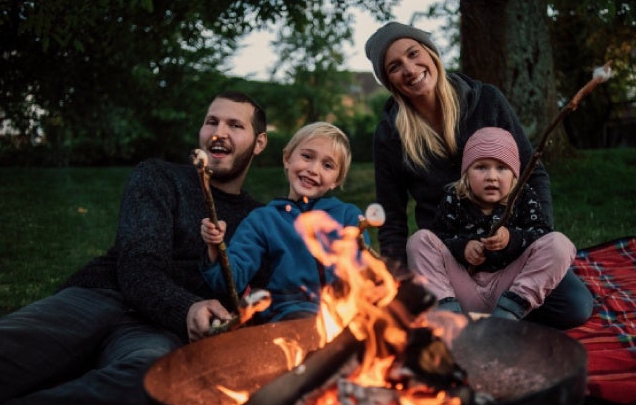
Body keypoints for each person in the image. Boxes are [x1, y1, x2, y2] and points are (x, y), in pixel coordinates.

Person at [0, 90, 268, 405]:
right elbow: (138, 265)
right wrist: (187, 307)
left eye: (235, 125)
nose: (219, 132)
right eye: (211, 121)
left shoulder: (259, 219)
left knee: (150, 385)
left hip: (155, 334)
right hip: (101, 297)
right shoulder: (159, 176)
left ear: (259, 143)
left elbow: (255, 296)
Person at [364, 21, 593, 329]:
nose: (409, 67)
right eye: (394, 66)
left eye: (413, 53)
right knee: (413, 293)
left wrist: (534, 237)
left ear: (431, 53)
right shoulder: (391, 134)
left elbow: (532, 173)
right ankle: (456, 313)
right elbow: (392, 219)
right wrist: (399, 280)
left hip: (510, 248)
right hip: (449, 257)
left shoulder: (485, 100)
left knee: (575, 306)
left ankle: (503, 311)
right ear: (389, 81)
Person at [200, 121, 369, 323]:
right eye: (307, 156)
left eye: (327, 165)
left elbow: (363, 275)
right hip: (287, 317)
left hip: (344, 315)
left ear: (336, 180)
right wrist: (214, 248)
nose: (313, 169)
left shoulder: (348, 216)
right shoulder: (262, 220)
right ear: (287, 158)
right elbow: (228, 282)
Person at [407, 127, 576, 320]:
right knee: (419, 240)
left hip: (509, 286)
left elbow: (541, 234)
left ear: (514, 175)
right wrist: (463, 248)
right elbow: (440, 238)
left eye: (501, 168)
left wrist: (511, 238)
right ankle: (447, 316)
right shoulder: (455, 198)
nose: (491, 176)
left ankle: (508, 314)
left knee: (560, 243)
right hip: (462, 289)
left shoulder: (523, 197)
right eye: (481, 167)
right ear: (466, 173)